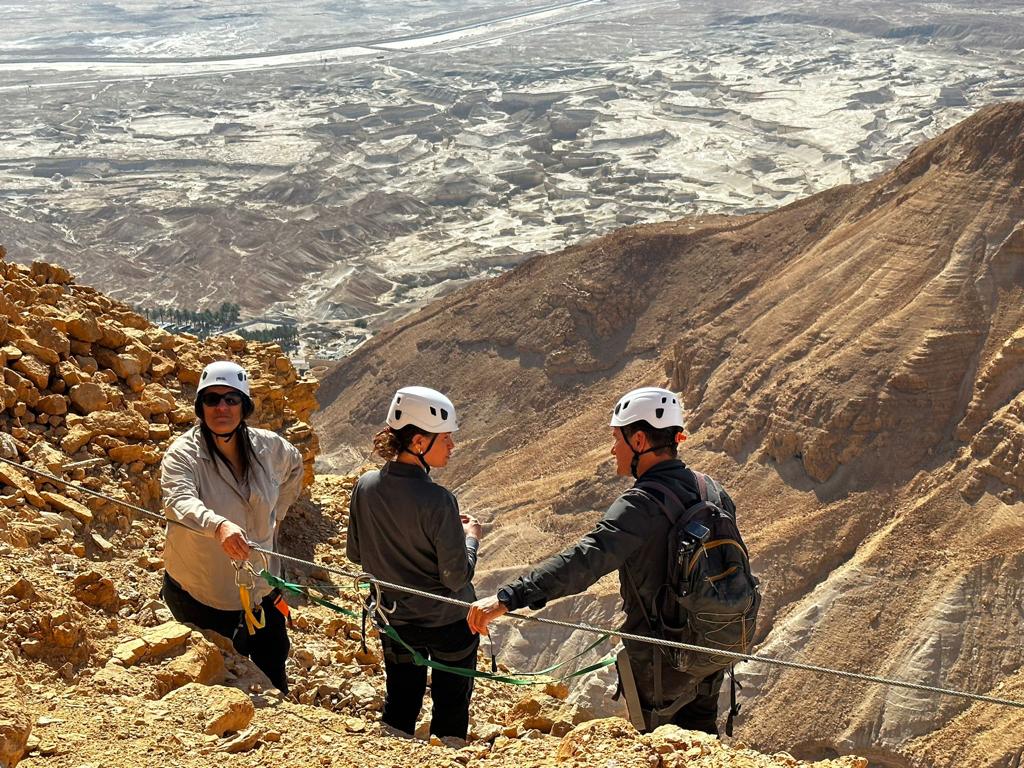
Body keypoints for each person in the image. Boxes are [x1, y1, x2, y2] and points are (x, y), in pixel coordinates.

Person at [466, 386, 737, 735]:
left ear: (639, 440)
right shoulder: (712, 489)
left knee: (659, 743)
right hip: (714, 647)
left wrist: (508, 597)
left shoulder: (641, 504)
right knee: (700, 742)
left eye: (616, 438)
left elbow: (583, 561)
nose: (613, 449)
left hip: (662, 661)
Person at [347, 386, 482, 739]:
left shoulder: (364, 486)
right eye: (446, 438)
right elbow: (455, 578)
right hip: (449, 624)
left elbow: (356, 555)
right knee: (451, 706)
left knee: (401, 702)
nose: (452, 445)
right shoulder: (439, 500)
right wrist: (471, 539)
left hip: (396, 622)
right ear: (420, 442)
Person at [160, 360, 303, 694]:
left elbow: (295, 467)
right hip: (204, 596)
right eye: (212, 399)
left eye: (231, 399)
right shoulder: (183, 454)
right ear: (200, 407)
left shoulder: (269, 448)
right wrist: (218, 525)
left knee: (273, 663)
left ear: (244, 406)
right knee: (215, 685)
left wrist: (276, 515)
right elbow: (179, 501)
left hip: (261, 591)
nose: (221, 407)